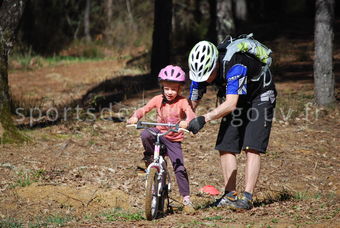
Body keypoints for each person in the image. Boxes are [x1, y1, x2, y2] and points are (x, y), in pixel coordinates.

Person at [187, 37, 277, 210]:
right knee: (226, 145)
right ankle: (229, 196)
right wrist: (184, 118)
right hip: (236, 95)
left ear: (215, 64)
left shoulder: (234, 65)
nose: (205, 80)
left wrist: (204, 118)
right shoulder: (200, 70)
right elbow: (191, 103)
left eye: (208, 76)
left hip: (260, 95)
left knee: (252, 146)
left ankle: (247, 197)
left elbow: (230, 104)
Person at [127, 65, 196, 213]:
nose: (169, 92)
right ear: (162, 87)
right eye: (166, 88)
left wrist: (187, 122)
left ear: (180, 89)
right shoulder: (158, 99)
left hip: (173, 139)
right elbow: (144, 109)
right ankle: (149, 158)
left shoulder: (183, 102)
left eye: (173, 89)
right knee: (146, 134)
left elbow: (190, 114)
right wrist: (135, 116)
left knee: (180, 169)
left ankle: (186, 200)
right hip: (159, 133)